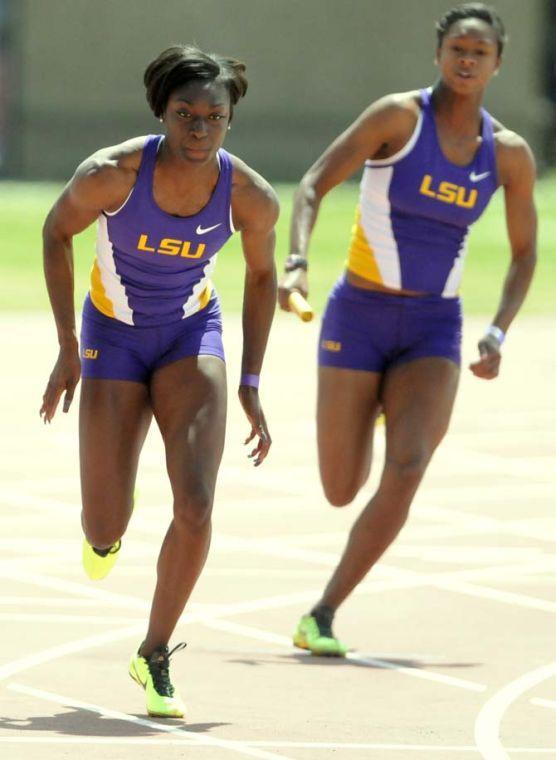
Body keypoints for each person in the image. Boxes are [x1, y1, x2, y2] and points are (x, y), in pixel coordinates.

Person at [279, 3, 536, 656]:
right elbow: (313, 183)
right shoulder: (398, 117)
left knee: (411, 463)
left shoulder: (506, 153)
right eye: (457, 47)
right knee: (341, 489)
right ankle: (372, 404)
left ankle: (323, 613)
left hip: (432, 329)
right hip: (358, 315)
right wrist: (297, 262)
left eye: (481, 50)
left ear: (497, 64)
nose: (468, 58)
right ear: (439, 55)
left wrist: (499, 331)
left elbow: (526, 252)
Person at [40, 45, 278, 716]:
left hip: (188, 335)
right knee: (102, 524)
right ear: (162, 113)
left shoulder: (249, 195)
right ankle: (108, 523)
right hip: (112, 337)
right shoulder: (113, 173)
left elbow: (262, 276)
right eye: (185, 115)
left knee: (197, 502)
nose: (199, 129)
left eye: (214, 116)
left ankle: (153, 653)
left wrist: (251, 380)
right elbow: (56, 233)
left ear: (231, 119)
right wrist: (67, 348)